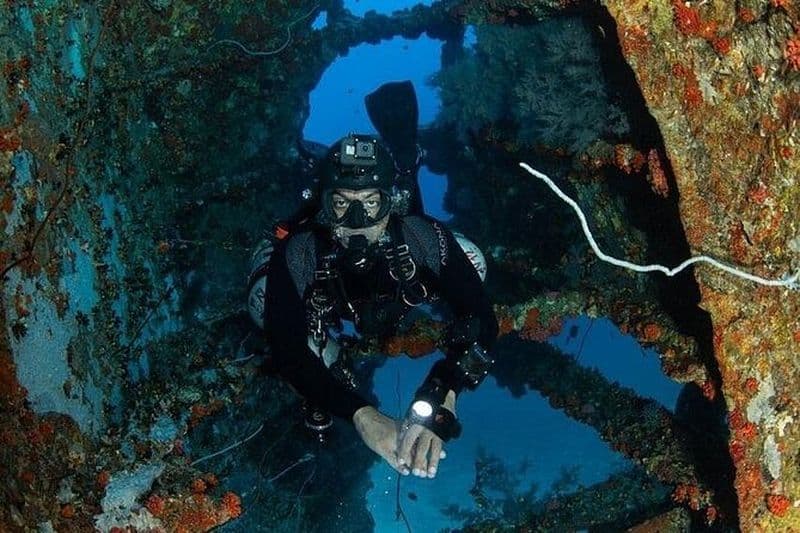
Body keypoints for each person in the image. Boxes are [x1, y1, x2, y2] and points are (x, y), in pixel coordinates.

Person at [263, 133, 498, 479]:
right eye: (342, 203)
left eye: (372, 203)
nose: (358, 220)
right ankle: (327, 357)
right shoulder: (300, 252)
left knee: (473, 261)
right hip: (329, 309)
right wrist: (362, 415)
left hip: (399, 298)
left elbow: (483, 321)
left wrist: (443, 393)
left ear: (392, 201)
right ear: (324, 204)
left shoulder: (423, 237)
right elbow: (285, 351)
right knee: (263, 310)